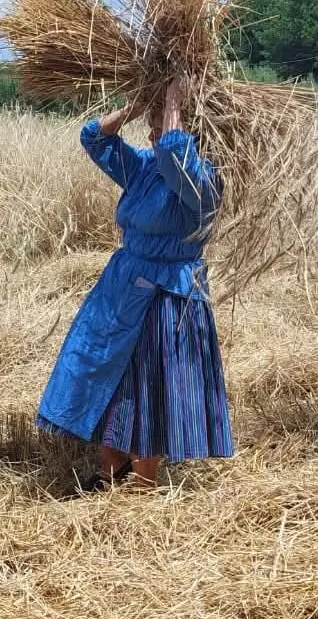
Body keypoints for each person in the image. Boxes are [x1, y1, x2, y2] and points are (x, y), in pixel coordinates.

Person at [36, 78, 232, 491]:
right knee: (111, 372)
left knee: (151, 381)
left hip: (167, 295)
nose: (153, 133)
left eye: (161, 125)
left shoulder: (205, 179)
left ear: (194, 130)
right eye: (152, 125)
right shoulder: (144, 167)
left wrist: (175, 99)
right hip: (123, 286)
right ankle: (110, 468)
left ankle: (144, 479)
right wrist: (136, 106)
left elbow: (177, 154)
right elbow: (94, 139)